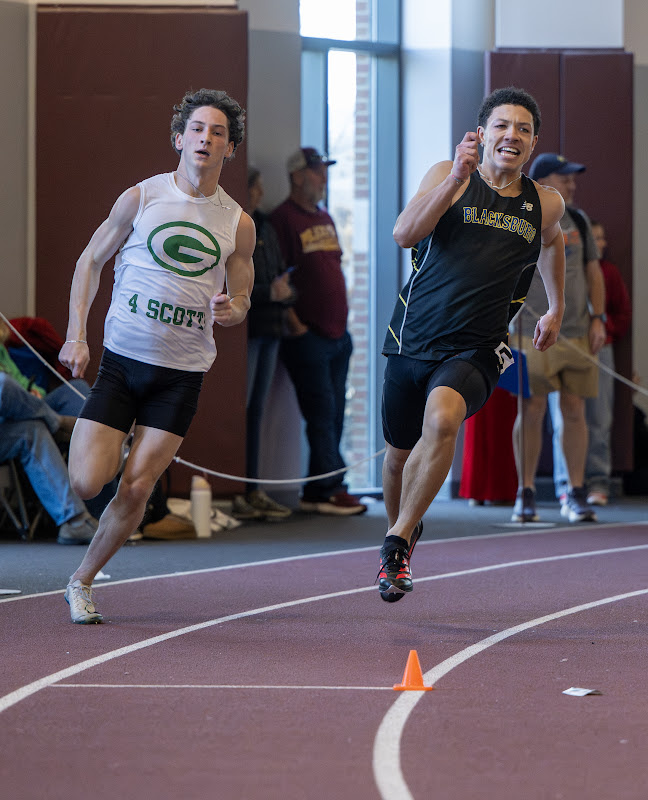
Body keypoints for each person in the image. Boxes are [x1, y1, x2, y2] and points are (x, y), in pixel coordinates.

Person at [58, 88, 254, 623]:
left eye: (217, 133)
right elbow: (89, 261)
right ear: (178, 138)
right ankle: (113, 444)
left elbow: (242, 298)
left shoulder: (237, 223)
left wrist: (231, 310)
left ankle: (82, 581)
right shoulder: (142, 198)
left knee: (139, 487)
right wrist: (77, 333)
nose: (205, 139)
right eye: (197, 130)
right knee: (85, 482)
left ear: (229, 149)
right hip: (123, 362)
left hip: (181, 373)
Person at [378, 86, 566, 602]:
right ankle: (400, 538)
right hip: (412, 336)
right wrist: (457, 178)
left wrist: (555, 306)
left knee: (441, 419)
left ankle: (396, 543)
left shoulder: (544, 203)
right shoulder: (447, 175)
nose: (513, 136)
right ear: (482, 134)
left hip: (479, 347)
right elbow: (403, 233)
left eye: (524, 130)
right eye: (503, 125)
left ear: (532, 144)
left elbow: (554, 243)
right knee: (396, 457)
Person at [269, 147, 367, 516]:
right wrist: (296, 326)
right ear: (297, 176)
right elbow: (276, 274)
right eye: (316, 172)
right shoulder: (282, 219)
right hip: (307, 336)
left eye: (325, 171)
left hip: (337, 335)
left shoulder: (324, 217)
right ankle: (330, 488)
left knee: (337, 412)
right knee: (322, 413)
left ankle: (316, 489)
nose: (323, 178)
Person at [512, 153, 606, 524]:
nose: (572, 185)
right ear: (545, 181)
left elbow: (592, 271)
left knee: (575, 410)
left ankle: (576, 492)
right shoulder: (522, 214)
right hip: (530, 332)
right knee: (531, 410)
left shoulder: (579, 220)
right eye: (565, 179)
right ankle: (526, 491)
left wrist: (598, 319)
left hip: (577, 332)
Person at [551, 220, 631, 506]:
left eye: (601, 239)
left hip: (598, 349)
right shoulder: (557, 265)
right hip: (560, 344)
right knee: (563, 418)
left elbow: (622, 312)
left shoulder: (607, 273)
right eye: (594, 239)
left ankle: (598, 482)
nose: (599, 244)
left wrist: (604, 333)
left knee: (598, 418)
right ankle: (566, 484)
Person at [231, 167, 294, 521]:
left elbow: (279, 271)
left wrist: (284, 292)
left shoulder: (265, 226)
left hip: (271, 327)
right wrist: (270, 292)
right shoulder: (229, 225)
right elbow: (230, 285)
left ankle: (253, 488)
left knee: (257, 411)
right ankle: (239, 489)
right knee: (242, 410)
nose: (261, 192)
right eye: (256, 186)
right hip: (245, 331)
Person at [0, 372, 100, 544]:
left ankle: (101, 513)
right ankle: (59, 423)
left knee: (76, 387)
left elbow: (22, 381)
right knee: (2, 383)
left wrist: (30, 393)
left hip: (21, 408)